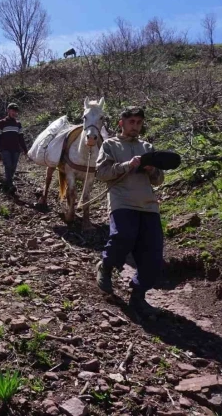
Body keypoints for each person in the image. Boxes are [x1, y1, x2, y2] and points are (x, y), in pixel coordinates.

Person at [95, 106, 165, 316]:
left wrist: (153, 170)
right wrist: (126, 165)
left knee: (153, 253)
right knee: (123, 236)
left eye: (138, 123)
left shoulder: (147, 146)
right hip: (122, 201)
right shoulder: (110, 144)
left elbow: (159, 179)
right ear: (121, 123)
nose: (135, 126)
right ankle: (105, 267)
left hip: (149, 205)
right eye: (131, 122)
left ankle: (138, 295)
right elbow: (101, 173)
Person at [0, 103, 29, 194]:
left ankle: (7, 183)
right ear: (8, 111)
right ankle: (10, 185)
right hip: (5, 149)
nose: (14, 113)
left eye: (15, 111)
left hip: (16, 150)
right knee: (8, 165)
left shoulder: (18, 124)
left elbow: (21, 138)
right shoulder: (1, 123)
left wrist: (25, 150)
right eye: (12, 110)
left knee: (13, 168)